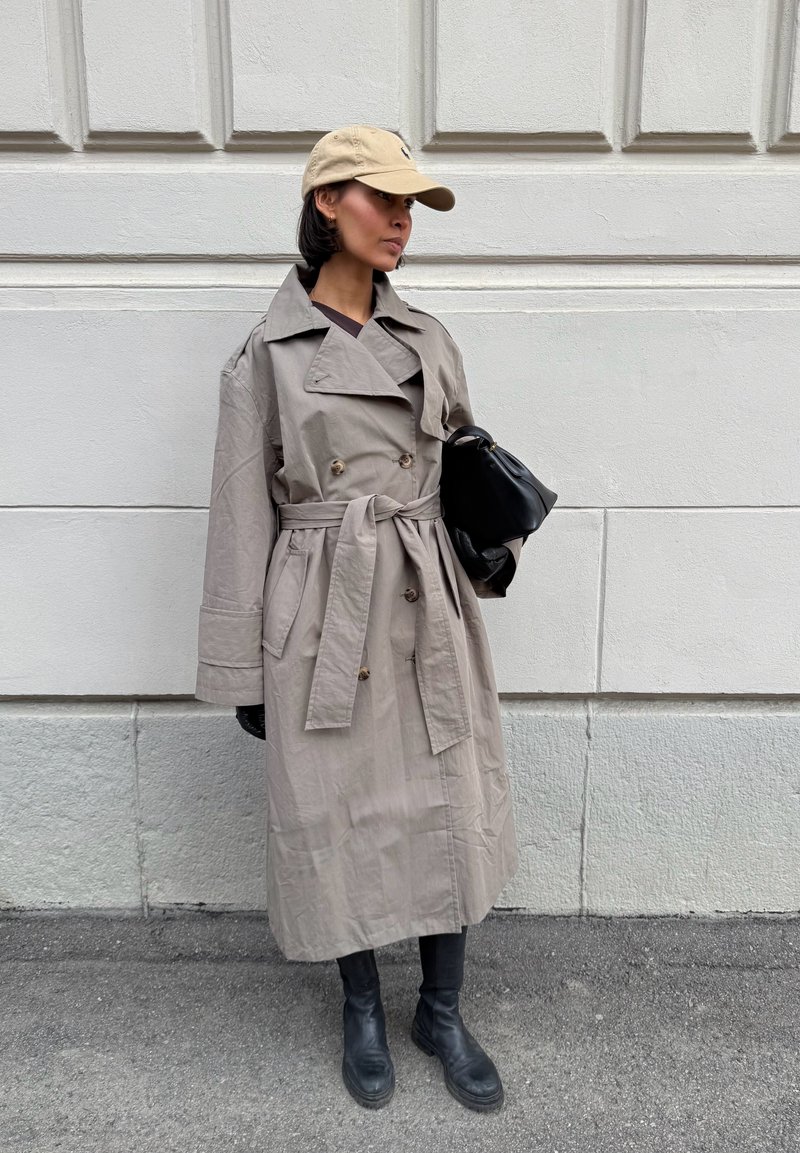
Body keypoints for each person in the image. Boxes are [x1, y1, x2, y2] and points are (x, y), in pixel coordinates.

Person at [194, 124, 525, 1112]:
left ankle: (441, 1007)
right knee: (331, 808)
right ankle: (361, 1010)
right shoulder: (265, 357)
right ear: (327, 202)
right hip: (320, 611)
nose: (400, 221)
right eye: (382, 199)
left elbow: (465, 454)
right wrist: (240, 670)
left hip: (425, 597)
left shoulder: (425, 338)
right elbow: (237, 511)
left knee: (443, 798)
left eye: (410, 205)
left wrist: (493, 533)